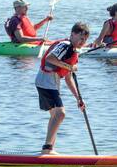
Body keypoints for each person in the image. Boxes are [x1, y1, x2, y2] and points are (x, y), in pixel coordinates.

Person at [35, 23, 90, 154]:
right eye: (81, 38)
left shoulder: (73, 51)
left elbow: (68, 78)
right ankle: (47, 149)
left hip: (51, 82)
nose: (83, 42)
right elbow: (50, 58)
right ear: (72, 34)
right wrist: (69, 67)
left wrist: (78, 99)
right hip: (46, 80)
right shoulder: (65, 45)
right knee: (60, 114)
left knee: (55, 115)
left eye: (85, 40)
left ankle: (49, 149)